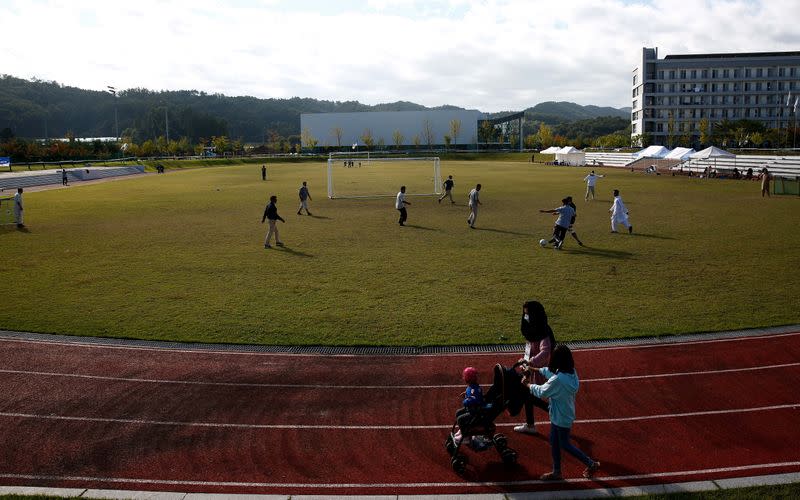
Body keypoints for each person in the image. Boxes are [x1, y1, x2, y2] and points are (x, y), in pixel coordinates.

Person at [526, 344, 600, 481]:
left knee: (564, 443)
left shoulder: (558, 380)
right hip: (563, 414)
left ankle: (591, 463)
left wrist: (527, 384)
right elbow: (553, 373)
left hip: (560, 417)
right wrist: (535, 369)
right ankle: (557, 471)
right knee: (554, 441)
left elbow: (542, 391)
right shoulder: (571, 372)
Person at [514, 300, 554, 435]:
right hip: (532, 369)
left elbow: (545, 351)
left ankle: (553, 411)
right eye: (524, 315)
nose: (525, 318)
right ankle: (531, 425)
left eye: (528, 315)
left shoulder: (543, 332)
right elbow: (529, 347)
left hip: (542, 371)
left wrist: (530, 362)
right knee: (529, 395)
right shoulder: (531, 331)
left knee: (534, 395)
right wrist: (524, 361)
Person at [453, 367, 487, 446]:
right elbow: (470, 393)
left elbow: (473, 399)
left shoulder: (474, 389)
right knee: (458, 413)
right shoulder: (472, 386)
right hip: (472, 409)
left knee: (460, 419)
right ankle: (463, 430)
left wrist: (465, 401)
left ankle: (466, 437)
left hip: (475, 412)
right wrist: (465, 393)